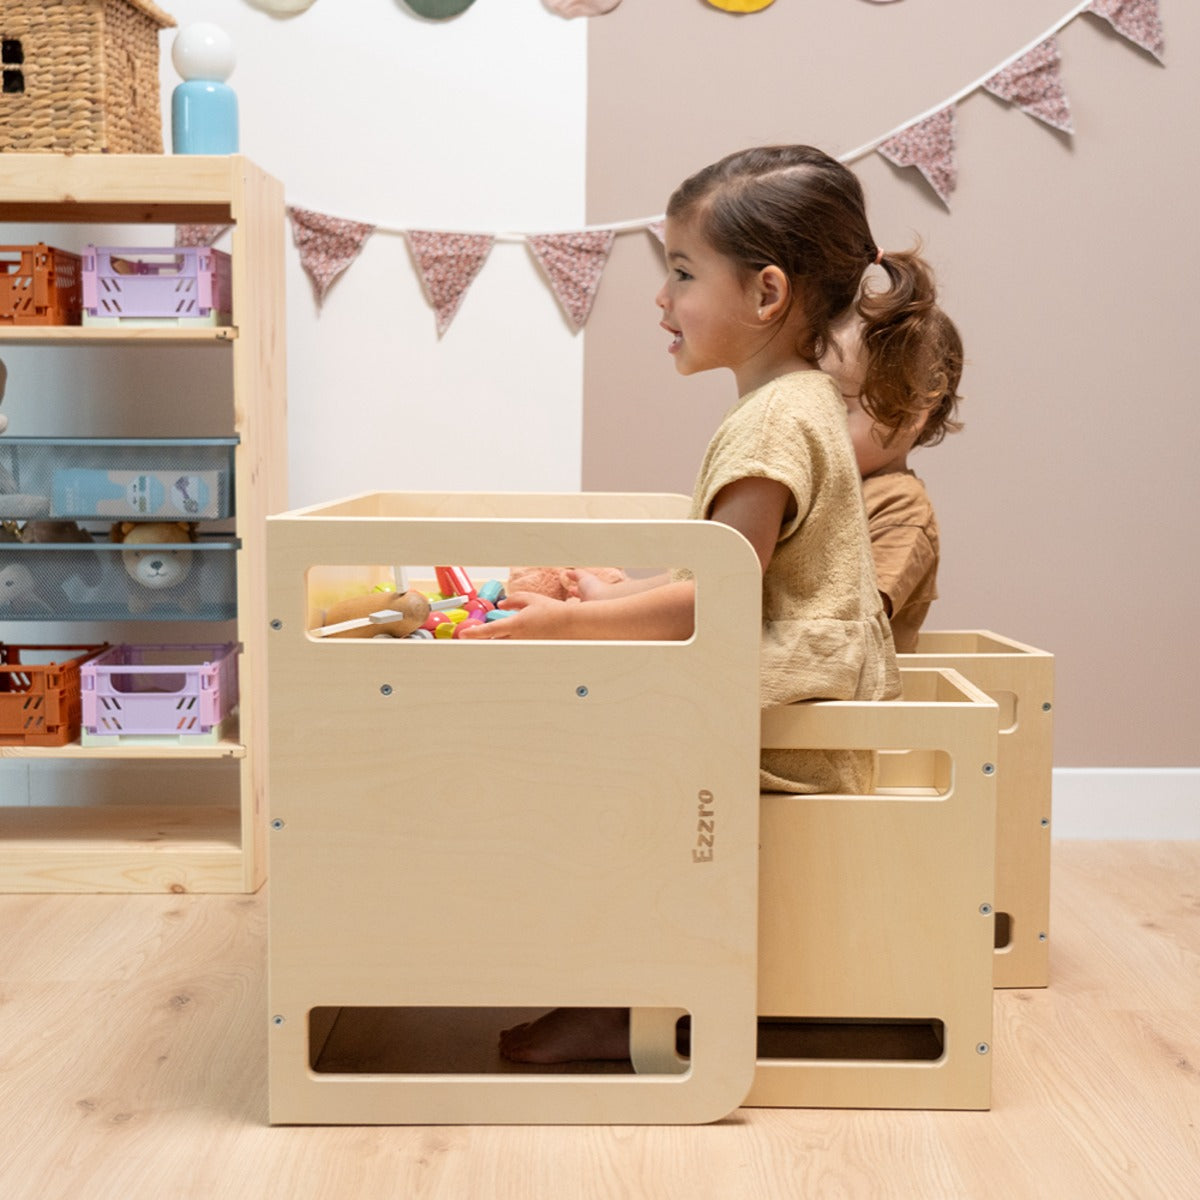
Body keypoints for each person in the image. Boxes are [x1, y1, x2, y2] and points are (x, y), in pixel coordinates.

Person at [462, 144, 944, 1062]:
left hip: (773, 743)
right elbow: (741, 572)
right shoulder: (800, 404)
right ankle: (605, 980)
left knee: (585, 759)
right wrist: (622, 591)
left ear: (767, 295)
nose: (660, 298)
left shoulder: (773, 421)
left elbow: (717, 597)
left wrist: (566, 624)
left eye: (681, 273)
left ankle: (618, 998)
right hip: (774, 715)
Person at [821, 306, 964, 651]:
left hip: (848, 698)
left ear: (910, 412)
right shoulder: (817, 492)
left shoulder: (900, 506)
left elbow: (852, 627)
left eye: (837, 408)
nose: (813, 424)